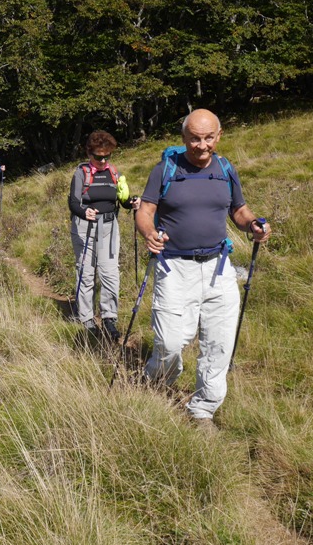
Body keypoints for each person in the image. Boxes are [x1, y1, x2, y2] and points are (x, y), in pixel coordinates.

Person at [136, 109, 271, 429]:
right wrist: (149, 233)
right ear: (184, 138)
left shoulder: (225, 169)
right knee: (170, 342)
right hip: (174, 267)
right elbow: (146, 210)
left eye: (209, 138)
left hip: (218, 267)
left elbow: (239, 210)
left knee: (219, 344)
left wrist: (254, 225)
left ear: (219, 136)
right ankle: (157, 379)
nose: (202, 145)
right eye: (195, 138)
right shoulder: (165, 169)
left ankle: (203, 409)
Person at [69, 131, 140, 343]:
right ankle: (87, 319)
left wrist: (131, 203)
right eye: (98, 156)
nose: (102, 161)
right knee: (86, 272)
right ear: (89, 153)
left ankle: (109, 318)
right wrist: (84, 212)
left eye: (106, 156)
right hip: (85, 227)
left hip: (109, 227)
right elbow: (73, 202)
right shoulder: (81, 173)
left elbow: (121, 199)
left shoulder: (113, 172)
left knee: (110, 273)